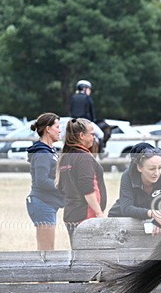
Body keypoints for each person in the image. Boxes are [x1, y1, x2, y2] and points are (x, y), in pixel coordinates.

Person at [56, 118, 107, 247]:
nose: (93, 138)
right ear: (81, 136)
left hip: (71, 214)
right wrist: (99, 214)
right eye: (92, 134)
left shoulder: (65, 157)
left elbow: (61, 188)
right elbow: (88, 190)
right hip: (86, 217)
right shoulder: (84, 158)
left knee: (78, 257)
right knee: (89, 258)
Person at [108, 142, 161, 234]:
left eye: (160, 168)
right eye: (152, 169)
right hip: (120, 220)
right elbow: (127, 208)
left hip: (150, 223)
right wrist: (152, 213)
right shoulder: (127, 176)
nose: (157, 173)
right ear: (139, 167)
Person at [26, 112, 63, 251]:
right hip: (42, 204)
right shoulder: (42, 153)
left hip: (47, 203)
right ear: (48, 129)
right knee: (47, 250)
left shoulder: (50, 151)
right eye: (57, 127)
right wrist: (62, 187)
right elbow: (41, 181)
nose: (60, 131)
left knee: (46, 250)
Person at [69, 79, 111, 151]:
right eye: (89, 89)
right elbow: (92, 113)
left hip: (73, 122)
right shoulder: (87, 98)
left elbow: (71, 111)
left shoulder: (73, 97)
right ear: (84, 89)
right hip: (85, 122)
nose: (90, 91)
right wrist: (92, 121)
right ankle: (101, 152)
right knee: (101, 135)